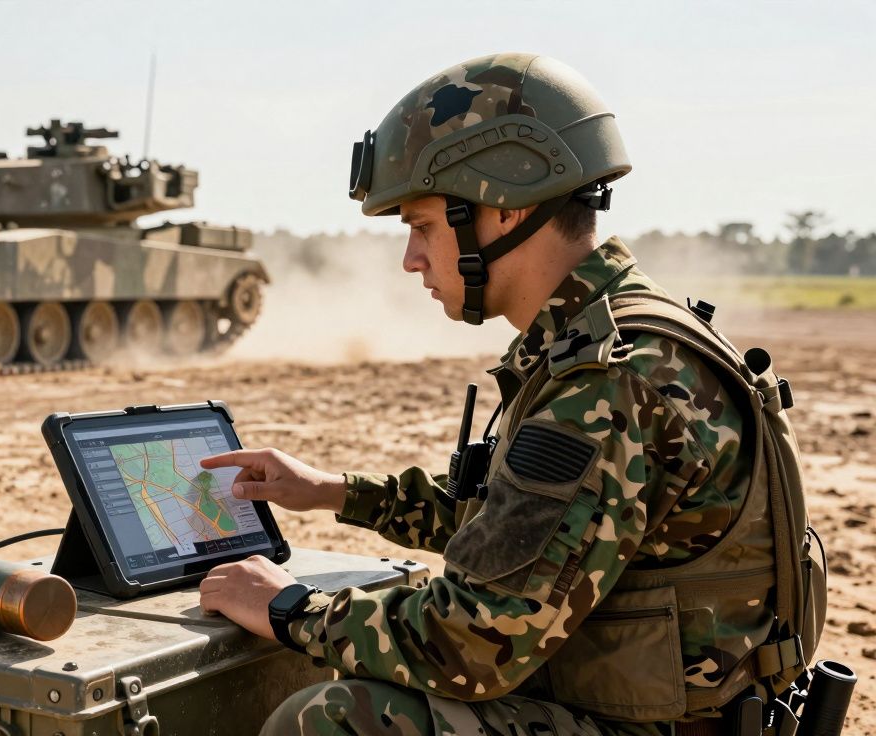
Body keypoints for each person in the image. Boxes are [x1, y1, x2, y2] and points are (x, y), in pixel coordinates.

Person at [198, 53, 820, 736]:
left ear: (504, 206)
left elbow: (471, 645)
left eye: (423, 226)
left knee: (334, 719)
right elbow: (517, 530)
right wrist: (334, 491)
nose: (411, 258)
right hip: (680, 711)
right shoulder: (618, 340)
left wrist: (289, 609)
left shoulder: (607, 383)